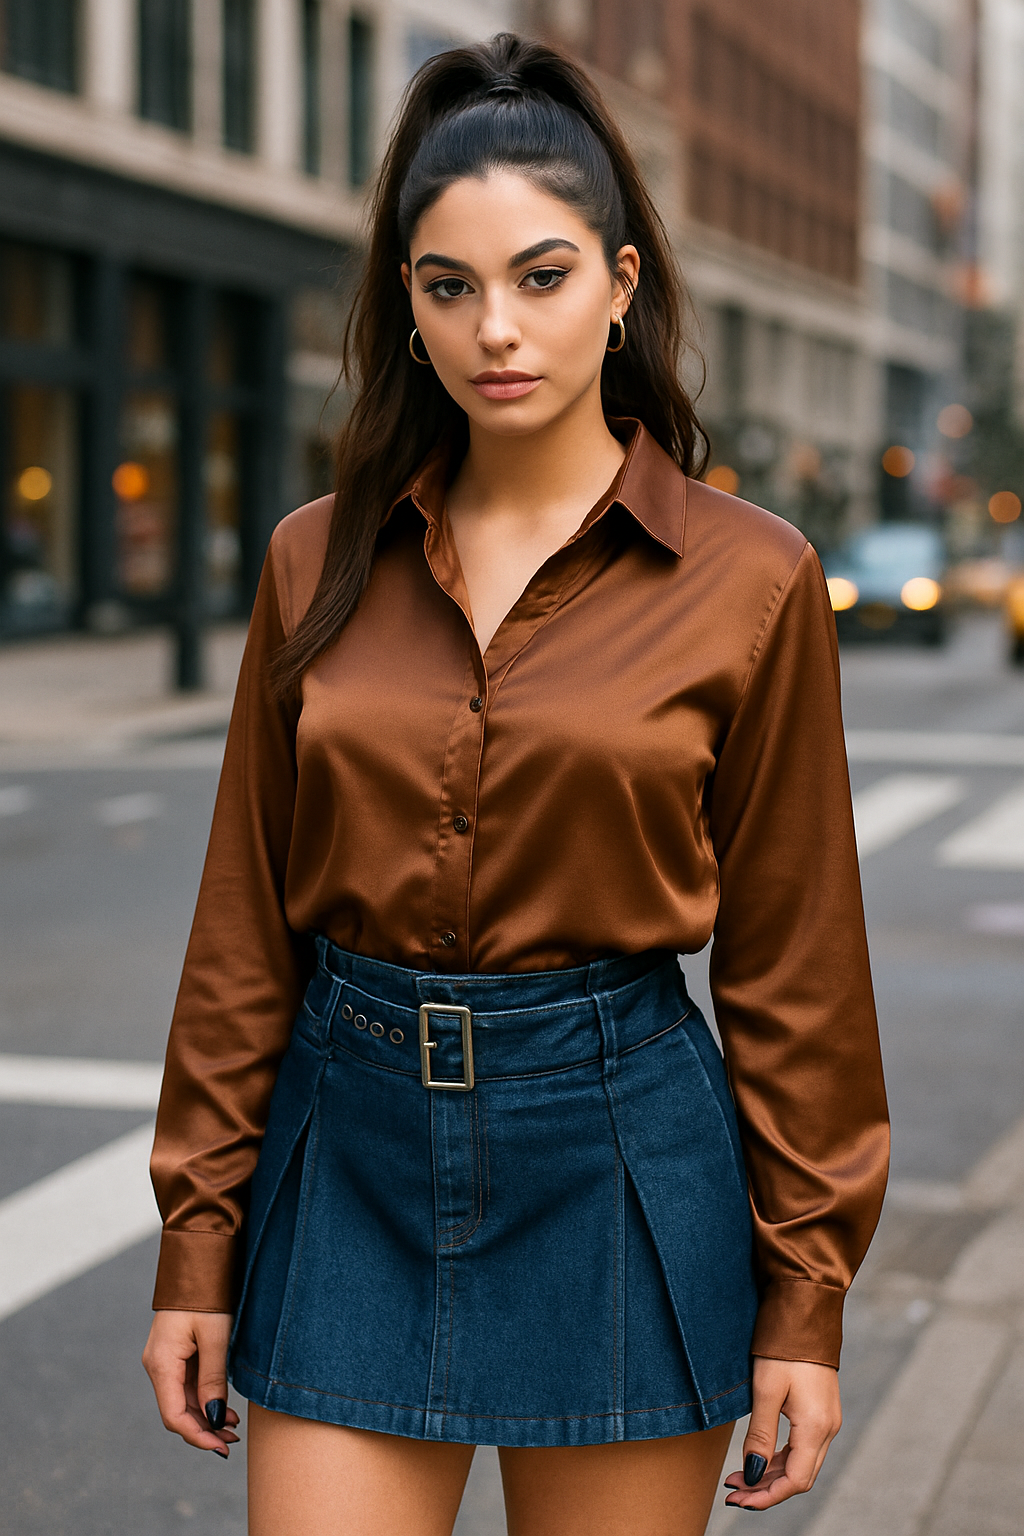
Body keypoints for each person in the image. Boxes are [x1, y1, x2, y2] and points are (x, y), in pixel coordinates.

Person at [142, 33, 889, 1536]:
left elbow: (795, 964)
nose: (496, 328)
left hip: (618, 1158)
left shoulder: (753, 580)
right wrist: (196, 1247)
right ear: (407, 307)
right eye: (449, 286)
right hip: (348, 1154)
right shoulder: (315, 558)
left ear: (620, 283)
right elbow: (242, 934)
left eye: (542, 277)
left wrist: (806, 1300)